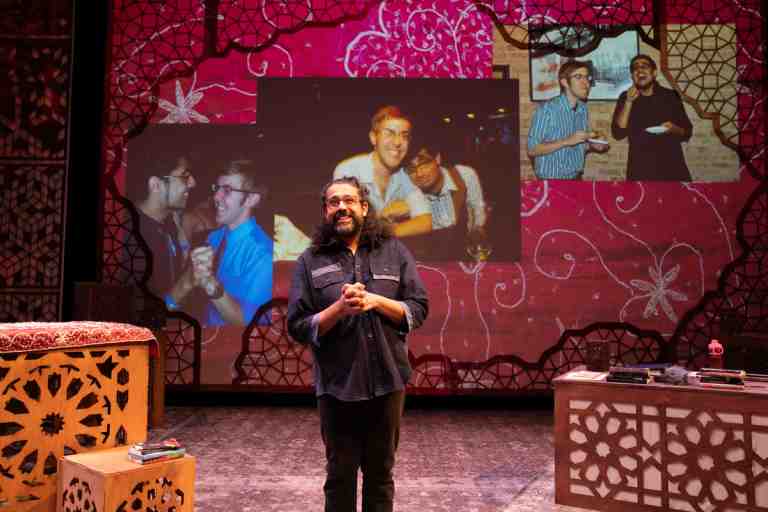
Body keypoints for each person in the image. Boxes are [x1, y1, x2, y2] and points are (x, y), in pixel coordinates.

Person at [287, 176, 428, 512]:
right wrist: (339, 308)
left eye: (349, 200)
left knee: (381, 477)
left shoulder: (394, 251)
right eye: (334, 202)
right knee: (340, 477)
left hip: (388, 382)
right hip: (336, 386)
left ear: (364, 207)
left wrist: (375, 302)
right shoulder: (310, 260)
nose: (342, 208)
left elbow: (419, 308)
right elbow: (297, 325)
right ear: (325, 211)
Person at [172, 160, 273, 326]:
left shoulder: (263, 255)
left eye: (227, 190)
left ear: (251, 199)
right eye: (217, 188)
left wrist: (213, 286)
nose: (216, 197)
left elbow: (247, 324)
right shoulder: (215, 237)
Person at [333, 105, 433, 237]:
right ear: (373, 138)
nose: (398, 142)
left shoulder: (405, 176)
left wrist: (388, 230)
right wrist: (385, 216)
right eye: (389, 133)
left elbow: (426, 222)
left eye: (404, 136)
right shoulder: (349, 171)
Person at [129, 154, 196, 308]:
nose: (193, 183)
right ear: (156, 185)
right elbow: (138, 314)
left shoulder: (169, 221)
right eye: (184, 176)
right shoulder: (132, 239)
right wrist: (185, 285)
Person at [611, 54, 693, 181]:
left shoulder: (670, 96)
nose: (639, 70)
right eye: (635, 68)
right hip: (639, 169)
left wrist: (673, 129)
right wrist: (628, 102)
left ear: (654, 73)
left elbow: (687, 132)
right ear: (632, 76)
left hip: (672, 168)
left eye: (645, 66)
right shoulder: (625, 97)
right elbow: (618, 133)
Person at [527, 60, 609, 179]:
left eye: (587, 77)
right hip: (551, 181)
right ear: (565, 82)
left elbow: (578, 144)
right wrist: (566, 141)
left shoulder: (582, 108)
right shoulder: (547, 110)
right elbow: (532, 149)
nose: (586, 83)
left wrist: (593, 145)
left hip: (576, 178)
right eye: (578, 77)